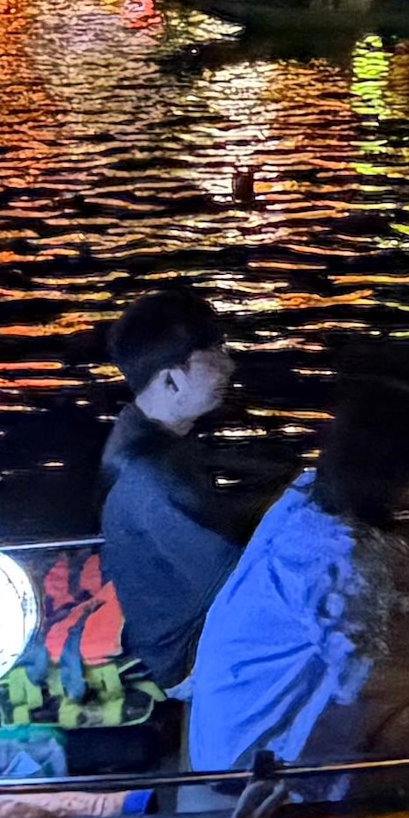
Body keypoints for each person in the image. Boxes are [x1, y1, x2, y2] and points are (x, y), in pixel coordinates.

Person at [185, 380, 409, 778]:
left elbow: (362, 562)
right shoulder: (341, 561)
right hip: (247, 752)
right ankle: (372, 794)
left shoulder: (308, 493)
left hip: (233, 706)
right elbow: (356, 676)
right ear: (389, 465)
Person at [96, 285, 264, 692]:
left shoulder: (152, 437)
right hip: (185, 654)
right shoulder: (150, 475)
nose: (230, 366)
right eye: (215, 354)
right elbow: (238, 583)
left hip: (185, 629)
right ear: (171, 381)